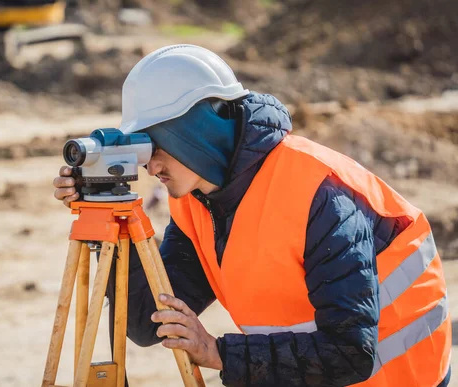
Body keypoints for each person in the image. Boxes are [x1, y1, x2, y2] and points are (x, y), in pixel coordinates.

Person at [53, 45, 451, 386]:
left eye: (154, 146)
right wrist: (108, 214)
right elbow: (144, 321)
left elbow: (351, 351)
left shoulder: (318, 194)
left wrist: (220, 353)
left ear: (194, 130)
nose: (149, 167)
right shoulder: (198, 201)